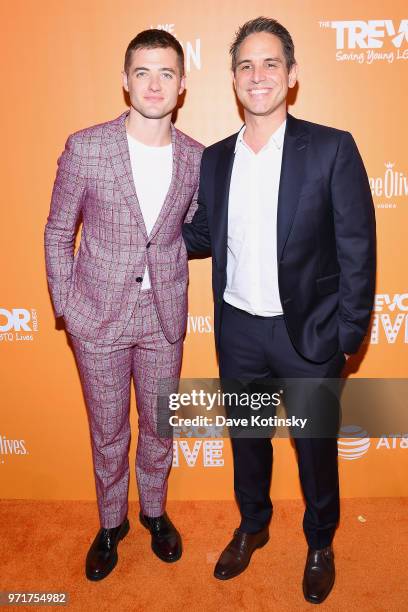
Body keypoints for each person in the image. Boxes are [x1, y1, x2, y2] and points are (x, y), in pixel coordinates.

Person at [183, 16, 375, 604]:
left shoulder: (333, 147)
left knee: (315, 450)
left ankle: (320, 541)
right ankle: (253, 526)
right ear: (234, 80)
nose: (257, 74)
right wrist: (139, 226)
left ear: (291, 76)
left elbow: (357, 247)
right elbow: (201, 235)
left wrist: (347, 335)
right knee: (247, 442)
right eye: (245, 65)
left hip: (309, 335)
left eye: (270, 63)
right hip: (239, 329)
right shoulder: (215, 159)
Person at [45, 29, 203, 581]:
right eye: (143, 72)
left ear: (182, 86)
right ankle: (111, 525)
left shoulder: (197, 158)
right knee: (108, 429)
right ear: (124, 80)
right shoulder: (86, 147)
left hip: (164, 317)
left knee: (160, 425)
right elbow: (58, 231)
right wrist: (69, 305)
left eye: (166, 73)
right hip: (98, 318)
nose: (154, 83)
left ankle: (155, 514)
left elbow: (191, 231)